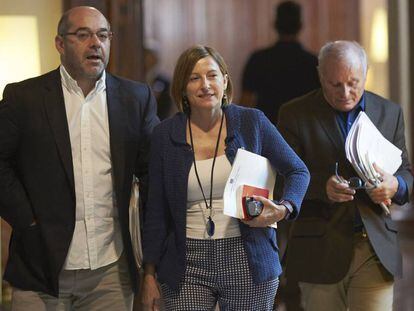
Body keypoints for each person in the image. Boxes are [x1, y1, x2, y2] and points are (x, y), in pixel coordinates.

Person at [0, 6, 159, 310]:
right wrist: (26, 218)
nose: (95, 43)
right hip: (41, 268)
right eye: (83, 35)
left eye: (102, 35)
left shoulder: (135, 99)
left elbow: (153, 172)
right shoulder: (25, 98)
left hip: (110, 271)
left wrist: (151, 264)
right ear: (60, 44)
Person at [140, 45, 310, 311]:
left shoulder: (252, 122)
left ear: (225, 81)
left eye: (212, 76)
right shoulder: (165, 135)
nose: (205, 85)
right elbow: (156, 211)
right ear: (183, 87)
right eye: (194, 78)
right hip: (186, 263)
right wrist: (149, 274)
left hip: (247, 257)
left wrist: (284, 208)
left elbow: (298, 171)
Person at [278, 40, 413, 311]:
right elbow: (281, 179)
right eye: (335, 84)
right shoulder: (294, 114)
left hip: (375, 246)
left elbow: (406, 174)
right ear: (320, 76)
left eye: (353, 82)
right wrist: (320, 186)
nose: (346, 92)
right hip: (320, 249)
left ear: (366, 74)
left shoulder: (390, 112)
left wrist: (394, 185)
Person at [240, 0, 320, 125]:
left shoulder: (258, 60)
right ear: (300, 25)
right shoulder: (313, 62)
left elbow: (245, 104)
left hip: (266, 132)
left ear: (275, 25)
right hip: (303, 132)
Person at [144, 47, 175, 120]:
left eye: (152, 57)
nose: (149, 60)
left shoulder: (165, 81)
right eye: (146, 56)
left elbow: (167, 108)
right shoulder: (135, 77)